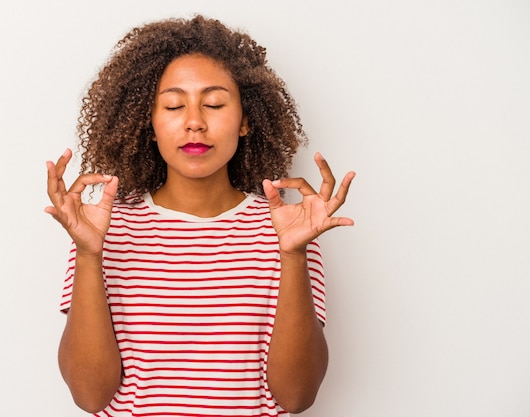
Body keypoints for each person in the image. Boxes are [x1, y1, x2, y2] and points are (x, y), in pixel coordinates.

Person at [45, 14, 355, 417]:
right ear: (150, 125)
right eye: (174, 105)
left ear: (245, 121)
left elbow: (297, 397)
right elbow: (90, 396)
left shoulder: (289, 229)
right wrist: (89, 254)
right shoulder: (105, 228)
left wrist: (293, 255)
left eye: (213, 103)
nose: (194, 122)